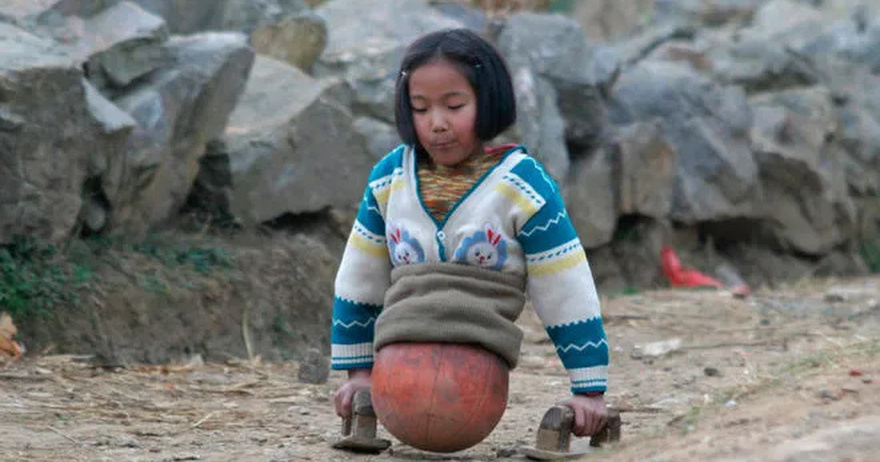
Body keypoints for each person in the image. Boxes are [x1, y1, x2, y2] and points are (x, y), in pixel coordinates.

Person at [330, 28, 609, 438]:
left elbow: (565, 285)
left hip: (476, 376)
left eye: (455, 105)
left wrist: (589, 390)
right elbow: (359, 277)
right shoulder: (389, 180)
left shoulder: (522, 187)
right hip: (396, 365)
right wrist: (357, 373)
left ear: (488, 100)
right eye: (420, 108)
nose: (437, 124)